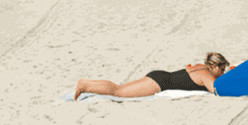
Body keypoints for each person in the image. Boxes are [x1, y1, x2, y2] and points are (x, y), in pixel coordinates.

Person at [73, 50, 231, 99]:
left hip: (160, 77)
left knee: (118, 88)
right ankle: (85, 85)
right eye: (221, 69)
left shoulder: (199, 67)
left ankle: (86, 84)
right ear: (215, 66)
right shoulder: (206, 74)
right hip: (160, 83)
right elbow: (216, 90)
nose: (221, 73)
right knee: (118, 91)